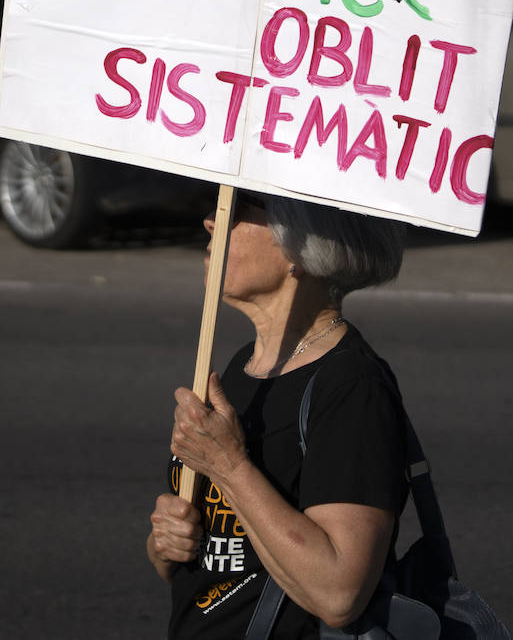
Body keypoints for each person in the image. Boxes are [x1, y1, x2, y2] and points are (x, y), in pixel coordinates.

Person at [146, 191, 410, 638]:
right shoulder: (245, 364)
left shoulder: (351, 388)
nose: (212, 220)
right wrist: (165, 542)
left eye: (240, 208)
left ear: (300, 248)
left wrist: (228, 465)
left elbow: (338, 594)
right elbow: (215, 559)